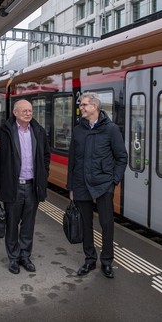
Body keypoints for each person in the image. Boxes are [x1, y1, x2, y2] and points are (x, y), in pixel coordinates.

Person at [67, 92, 127, 279]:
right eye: (81, 105)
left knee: (106, 224)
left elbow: (122, 158)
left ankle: (107, 261)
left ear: (95, 107)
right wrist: (71, 186)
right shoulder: (78, 130)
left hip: (103, 184)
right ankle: (90, 259)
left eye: (84, 105)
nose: (81, 108)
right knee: (86, 224)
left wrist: (113, 181)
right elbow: (72, 161)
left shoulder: (111, 129)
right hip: (81, 183)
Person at [0, 99, 50, 274]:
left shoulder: (38, 131)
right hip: (13, 186)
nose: (28, 113)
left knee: (28, 224)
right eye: (24, 110)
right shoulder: (4, 132)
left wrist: (43, 176)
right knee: (12, 224)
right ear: (15, 112)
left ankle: (25, 256)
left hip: (32, 186)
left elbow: (46, 155)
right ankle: (13, 258)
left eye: (30, 110)